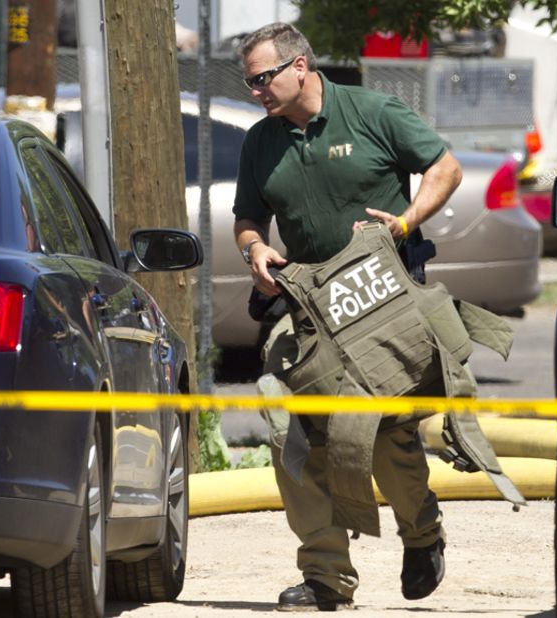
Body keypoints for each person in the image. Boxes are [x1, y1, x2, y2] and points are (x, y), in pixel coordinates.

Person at [231, 22, 463, 611]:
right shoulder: (261, 142)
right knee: (290, 425)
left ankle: (422, 532)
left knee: (384, 432)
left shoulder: (372, 112)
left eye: (263, 77)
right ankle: (326, 577)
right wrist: (254, 249)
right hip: (305, 304)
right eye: (249, 82)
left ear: (300, 66)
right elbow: (248, 219)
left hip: (378, 296)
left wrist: (405, 222)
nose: (256, 90)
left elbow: (445, 168)